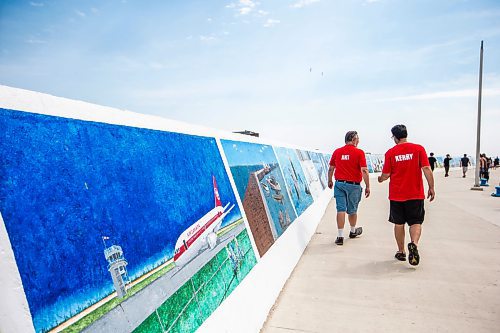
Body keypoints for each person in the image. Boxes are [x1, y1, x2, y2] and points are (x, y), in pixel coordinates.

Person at [377, 125, 435, 266]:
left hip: (397, 195)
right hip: (415, 194)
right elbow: (426, 168)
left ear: (395, 137)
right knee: (416, 222)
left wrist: (380, 179)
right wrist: (431, 187)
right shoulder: (418, 149)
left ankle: (401, 251)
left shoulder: (390, 152)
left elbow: (386, 174)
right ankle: (413, 243)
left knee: (399, 223)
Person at [328, 131, 370, 246]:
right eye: (358, 139)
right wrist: (368, 186)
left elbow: (331, 168)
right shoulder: (359, 152)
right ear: (354, 139)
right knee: (352, 210)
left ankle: (340, 236)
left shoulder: (337, 152)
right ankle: (352, 231)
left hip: (339, 184)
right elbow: (364, 170)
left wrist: (330, 180)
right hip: (354, 186)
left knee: (340, 209)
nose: (359, 141)